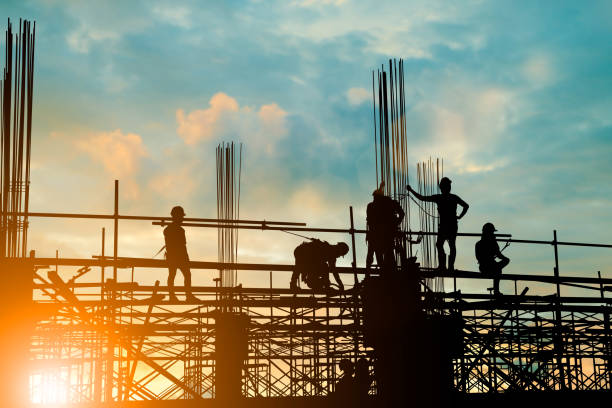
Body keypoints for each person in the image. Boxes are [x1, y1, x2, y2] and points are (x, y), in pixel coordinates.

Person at [407, 177, 468, 272]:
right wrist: (459, 216)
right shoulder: (453, 197)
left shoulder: (439, 198)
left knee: (441, 245)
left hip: (445, 226)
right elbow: (466, 206)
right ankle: (449, 267)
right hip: (451, 225)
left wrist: (411, 190)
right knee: (449, 245)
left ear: (442, 187)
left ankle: (443, 266)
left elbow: (422, 198)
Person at [365, 182, 405, 276]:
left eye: (375, 197)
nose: (374, 199)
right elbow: (401, 214)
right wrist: (396, 223)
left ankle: (384, 272)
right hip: (379, 234)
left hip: (380, 235)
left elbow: (401, 214)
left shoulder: (379, 205)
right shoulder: (376, 205)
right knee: (377, 253)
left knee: (384, 253)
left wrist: (395, 223)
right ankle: (383, 271)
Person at [163, 206, 198, 302]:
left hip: (172, 256)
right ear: (177, 217)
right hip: (179, 256)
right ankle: (187, 295)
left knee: (173, 275)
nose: (182, 219)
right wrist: (186, 258)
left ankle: (172, 296)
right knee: (185, 275)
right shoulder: (179, 230)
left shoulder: (167, 229)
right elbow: (182, 246)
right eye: (181, 217)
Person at [475, 222, 509, 296]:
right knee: (498, 270)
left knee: (497, 269)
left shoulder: (479, 244)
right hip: (487, 267)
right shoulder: (490, 243)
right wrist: (506, 259)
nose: (493, 233)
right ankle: (496, 291)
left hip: (484, 267)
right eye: (492, 232)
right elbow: (498, 255)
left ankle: (496, 290)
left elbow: (478, 257)